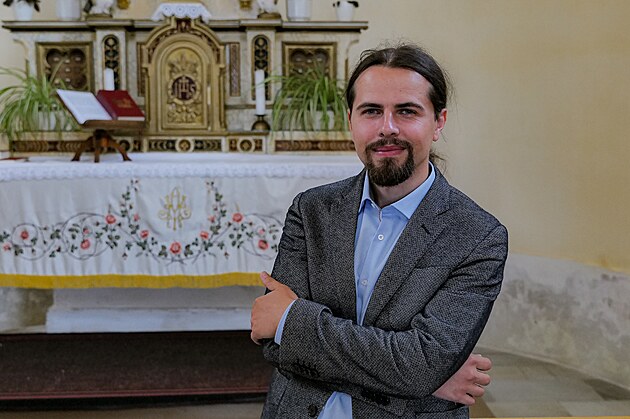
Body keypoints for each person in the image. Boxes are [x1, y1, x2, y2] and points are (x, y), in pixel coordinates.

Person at [250, 43, 508, 418]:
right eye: (371, 111)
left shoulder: (477, 236)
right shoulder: (311, 211)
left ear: (438, 122)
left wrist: (293, 322)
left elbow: (420, 367)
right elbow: (273, 341)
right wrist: (421, 381)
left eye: (407, 111)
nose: (387, 127)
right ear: (351, 120)